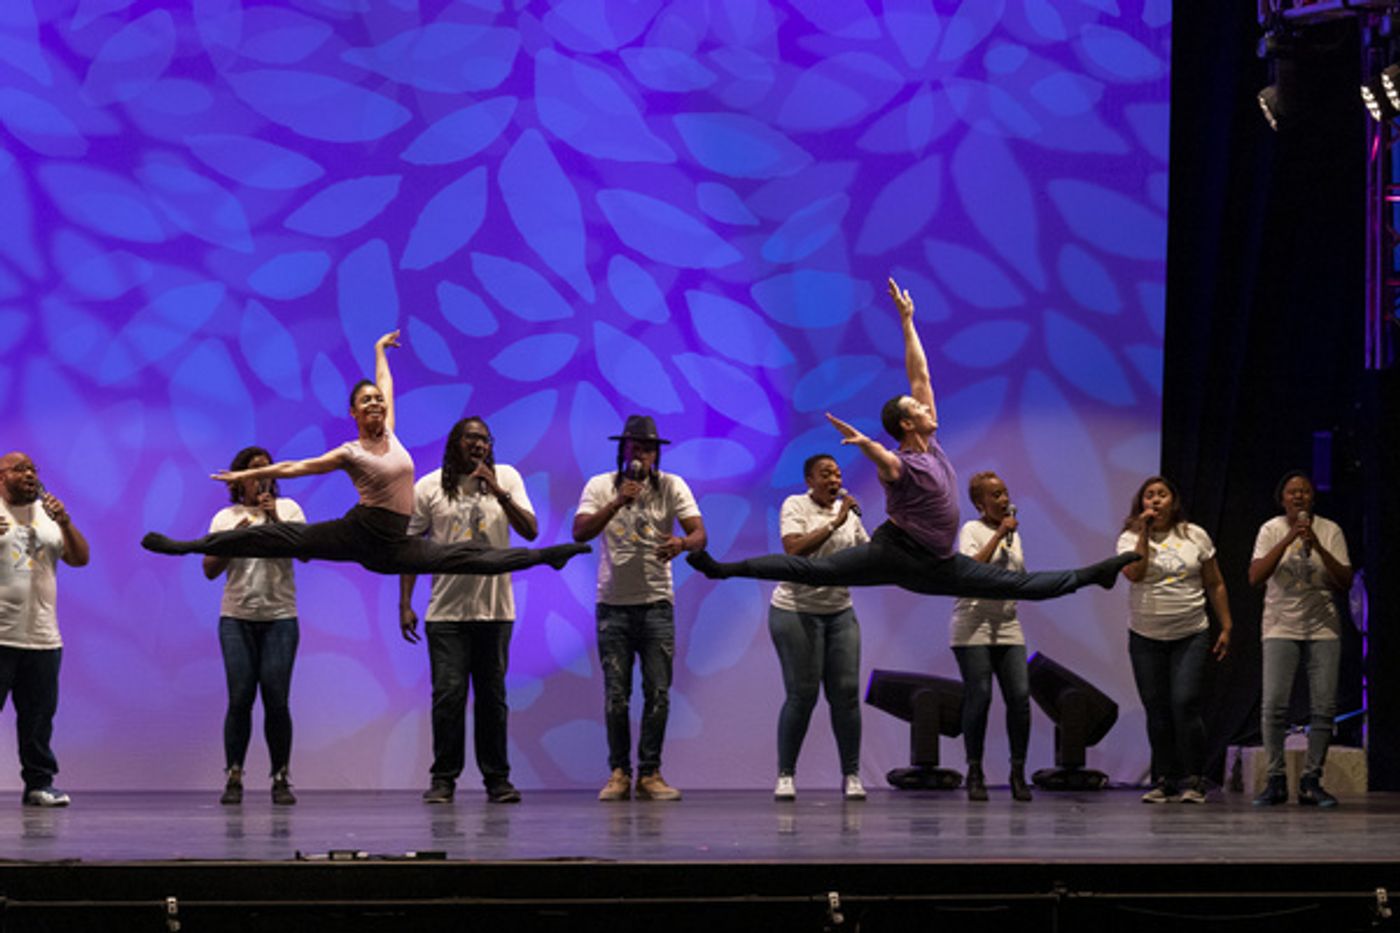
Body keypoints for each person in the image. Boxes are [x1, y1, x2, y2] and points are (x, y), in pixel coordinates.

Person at [686, 278, 1135, 600]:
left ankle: (1096, 575)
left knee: (1016, 587)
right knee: (812, 571)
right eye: (917, 410)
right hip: (895, 555)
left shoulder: (931, 443)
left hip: (936, 566)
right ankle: (721, 570)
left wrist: (906, 321)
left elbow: (919, 374)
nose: (926, 408)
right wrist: (864, 444)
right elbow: (886, 462)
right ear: (906, 424)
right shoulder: (903, 463)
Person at [142, 331, 588, 576]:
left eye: (378, 400)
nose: (377, 403)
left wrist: (379, 351)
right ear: (353, 413)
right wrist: (244, 479)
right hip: (358, 533)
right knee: (273, 538)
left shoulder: (391, 433)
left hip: (394, 546)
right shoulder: (350, 451)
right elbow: (299, 466)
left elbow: (386, 382)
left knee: (466, 559)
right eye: (367, 402)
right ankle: (185, 545)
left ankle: (548, 556)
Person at [400, 417, 535, 805]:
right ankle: (444, 779)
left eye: (485, 439)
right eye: (471, 438)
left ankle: (497, 780)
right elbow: (409, 549)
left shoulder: (506, 477)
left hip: (495, 611)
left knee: (493, 699)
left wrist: (498, 492)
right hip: (446, 613)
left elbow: (530, 531)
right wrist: (404, 603)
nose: (479, 444)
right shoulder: (429, 487)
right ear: (455, 443)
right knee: (448, 697)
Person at [573, 415, 706, 802]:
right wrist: (618, 502)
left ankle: (650, 773)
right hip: (613, 604)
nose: (643, 455)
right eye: (636, 448)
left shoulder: (671, 486)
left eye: (649, 449)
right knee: (617, 694)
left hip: (656, 605)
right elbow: (580, 532)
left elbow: (700, 533)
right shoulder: (601, 486)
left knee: (658, 693)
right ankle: (618, 772)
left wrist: (682, 543)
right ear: (623, 451)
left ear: (656, 455)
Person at [1117, 476, 1232, 804]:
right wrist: (1143, 532)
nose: (1155, 500)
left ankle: (1194, 778)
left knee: (1184, 702)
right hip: (1145, 635)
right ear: (1142, 504)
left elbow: (1215, 583)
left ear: (1173, 501)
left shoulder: (1195, 535)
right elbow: (1135, 574)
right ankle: (1165, 779)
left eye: (1162, 495)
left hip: (1190, 632)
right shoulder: (1128, 539)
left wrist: (1226, 626)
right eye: (1149, 496)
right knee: (1157, 708)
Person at [203, 446, 306, 806]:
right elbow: (210, 569)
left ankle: (280, 777)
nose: (262, 477)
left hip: (280, 617)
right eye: (254, 471)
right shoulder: (225, 517)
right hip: (237, 618)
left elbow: (306, 551)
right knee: (240, 698)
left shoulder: (289, 509)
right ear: (239, 479)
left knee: (277, 700)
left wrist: (274, 518)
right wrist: (236, 538)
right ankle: (234, 775)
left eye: (268, 470)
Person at [768, 454, 869, 802]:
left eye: (838, 473)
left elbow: (868, 556)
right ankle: (786, 775)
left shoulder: (849, 515)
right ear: (810, 479)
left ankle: (852, 775)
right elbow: (794, 549)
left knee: (847, 693)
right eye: (826, 473)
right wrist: (835, 523)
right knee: (803, 694)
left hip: (839, 611)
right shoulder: (795, 504)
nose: (834, 478)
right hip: (795, 610)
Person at [1248, 470, 1352, 808]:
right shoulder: (1270, 529)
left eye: (1305, 491)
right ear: (1282, 499)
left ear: (1313, 498)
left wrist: (1316, 544)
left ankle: (1311, 780)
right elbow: (1255, 576)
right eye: (1292, 491)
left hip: (1323, 627)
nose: (1299, 496)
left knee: (1323, 708)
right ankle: (1276, 780)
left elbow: (1345, 580)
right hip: (1280, 625)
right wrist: (1290, 536)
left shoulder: (1330, 529)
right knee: (1274, 705)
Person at [0, 452, 90, 807]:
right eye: (20, 469)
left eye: (33, 469)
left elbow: (81, 558)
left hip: (42, 636)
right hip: (1, 634)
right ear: (1, 476)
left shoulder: (49, 515)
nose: (29, 474)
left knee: (38, 720)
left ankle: (39, 785)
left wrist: (65, 522)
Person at [950, 471, 1032, 803]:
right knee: (980, 695)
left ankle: (1017, 773)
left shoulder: (1016, 534)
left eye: (1004, 493)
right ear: (979, 503)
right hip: (973, 622)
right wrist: (999, 534)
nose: (1002, 500)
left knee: (1020, 697)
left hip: (1007, 623)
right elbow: (971, 570)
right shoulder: (972, 530)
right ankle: (974, 771)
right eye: (994, 495)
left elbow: (1019, 576)